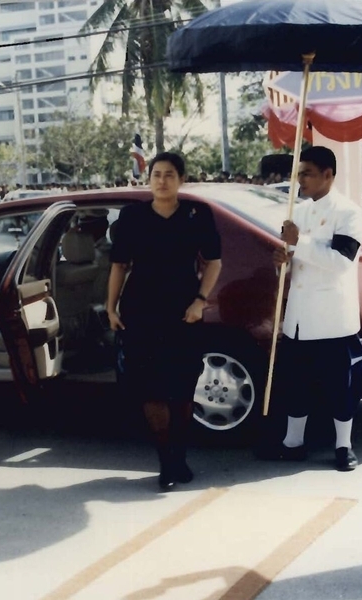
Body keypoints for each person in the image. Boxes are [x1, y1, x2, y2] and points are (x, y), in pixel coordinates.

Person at [106, 152, 222, 491]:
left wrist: (200, 300)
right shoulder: (132, 217)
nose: (162, 181)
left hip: (183, 311)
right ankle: (166, 463)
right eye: (156, 174)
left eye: (170, 174)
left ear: (181, 179)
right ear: (149, 179)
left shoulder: (197, 215)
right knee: (150, 388)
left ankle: (180, 456)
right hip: (140, 311)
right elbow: (119, 266)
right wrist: (111, 307)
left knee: (182, 389)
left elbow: (213, 262)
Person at [259, 146, 362, 472]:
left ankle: (343, 446)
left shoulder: (349, 213)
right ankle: (292, 443)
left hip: (331, 316)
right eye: (299, 174)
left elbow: (340, 261)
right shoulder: (299, 212)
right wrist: (283, 260)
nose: (300, 180)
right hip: (299, 316)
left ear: (327, 175)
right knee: (296, 384)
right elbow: (295, 261)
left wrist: (300, 243)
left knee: (340, 387)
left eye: (306, 173)